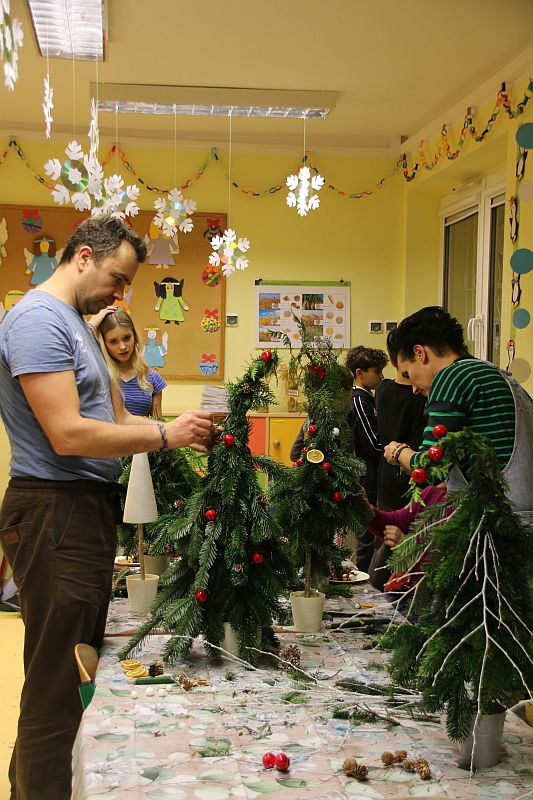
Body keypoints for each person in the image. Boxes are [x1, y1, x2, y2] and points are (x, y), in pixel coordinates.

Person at [0, 216, 216, 800]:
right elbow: (69, 433)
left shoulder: (74, 324)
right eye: (116, 279)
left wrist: (182, 429)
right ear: (82, 257)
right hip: (53, 511)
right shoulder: (37, 322)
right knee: (54, 680)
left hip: (81, 510)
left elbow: (117, 420)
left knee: (75, 671)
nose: (119, 296)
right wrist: (165, 436)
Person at [383, 306, 533, 520]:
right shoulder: (497, 375)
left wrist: (399, 453)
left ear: (420, 352)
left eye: (407, 373)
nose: (414, 388)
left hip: (496, 523)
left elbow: (430, 467)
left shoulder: (451, 377)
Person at [368, 328, 426, 589]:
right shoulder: (422, 398)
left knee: (384, 538)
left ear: (392, 362)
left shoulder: (382, 390)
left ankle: (379, 591)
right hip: (415, 474)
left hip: (387, 475)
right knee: (410, 544)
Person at [344, 346, 388, 573]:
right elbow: (373, 443)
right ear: (359, 372)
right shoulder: (360, 401)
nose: (380, 376)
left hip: (368, 473)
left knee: (369, 531)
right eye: (376, 371)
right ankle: (364, 581)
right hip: (367, 474)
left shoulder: (367, 398)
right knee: (368, 534)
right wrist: (391, 453)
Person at [89, 306, 167, 418]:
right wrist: (91, 326)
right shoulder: (99, 375)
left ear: (134, 336)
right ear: (104, 343)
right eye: (113, 341)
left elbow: (158, 424)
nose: (122, 347)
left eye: (126, 338)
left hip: (142, 435)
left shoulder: (152, 378)